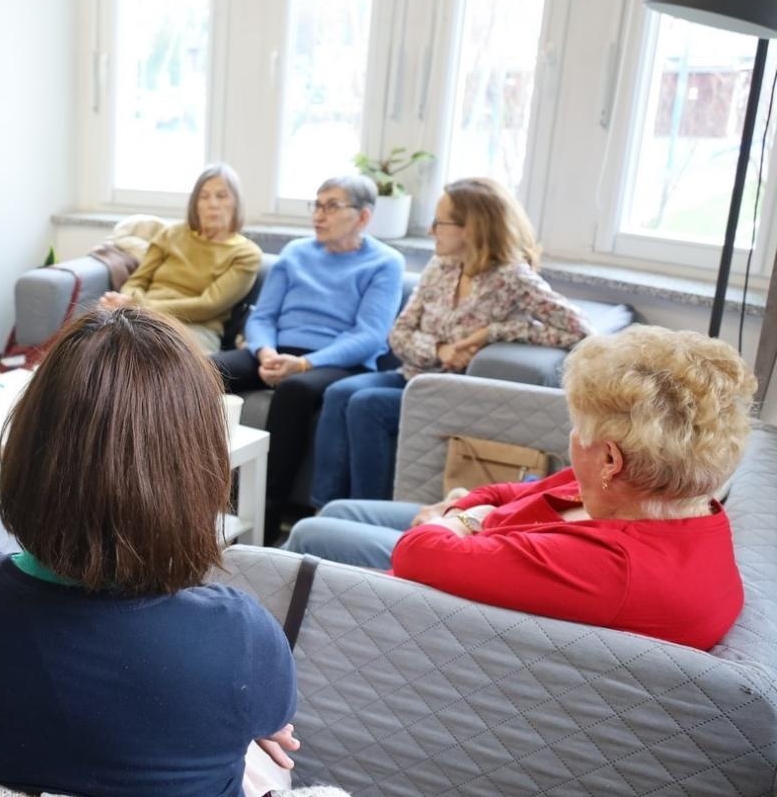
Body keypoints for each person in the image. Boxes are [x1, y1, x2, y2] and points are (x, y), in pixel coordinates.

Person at [0, 307, 300, 797]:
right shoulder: (237, 635)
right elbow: (272, 720)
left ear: (30, 449)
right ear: (197, 470)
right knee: (268, 764)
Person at [286, 327, 750, 651]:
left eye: (577, 428)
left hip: (424, 603)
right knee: (339, 511)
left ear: (609, 458)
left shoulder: (611, 567)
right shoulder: (655, 491)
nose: (572, 442)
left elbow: (417, 555)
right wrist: (468, 513)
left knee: (310, 533)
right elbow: (512, 491)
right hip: (468, 542)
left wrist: (457, 520)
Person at [310, 177, 590, 505]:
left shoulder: (512, 279)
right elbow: (399, 334)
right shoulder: (440, 266)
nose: (431, 231)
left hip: (450, 391)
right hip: (413, 375)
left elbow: (580, 330)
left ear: (471, 228)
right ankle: (324, 508)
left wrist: (494, 333)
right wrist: (440, 349)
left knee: (367, 405)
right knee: (339, 393)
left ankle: (368, 509)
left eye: (438, 223)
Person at [212, 174, 405, 535]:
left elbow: (369, 335)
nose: (319, 214)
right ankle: (197, 486)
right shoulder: (295, 253)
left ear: (363, 217)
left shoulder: (385, 263)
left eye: (332, 206)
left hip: (336, 361)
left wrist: (303, 364)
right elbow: (264, 316)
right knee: (208, 369)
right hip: (275, 349)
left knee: (295, 390)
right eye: (316, 205)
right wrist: (266, 351)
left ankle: (268, 513)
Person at [97, 164, 262, 352]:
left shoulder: (246, 254)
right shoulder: (171, 233)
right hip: (143, 317)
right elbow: (137, 280)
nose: (212, 204)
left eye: (221, 196)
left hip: (196, 328)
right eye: (204, 196)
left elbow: (207, 306)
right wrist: (128, 302)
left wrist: (140, 306)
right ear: (195, 203)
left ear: (236, 203)